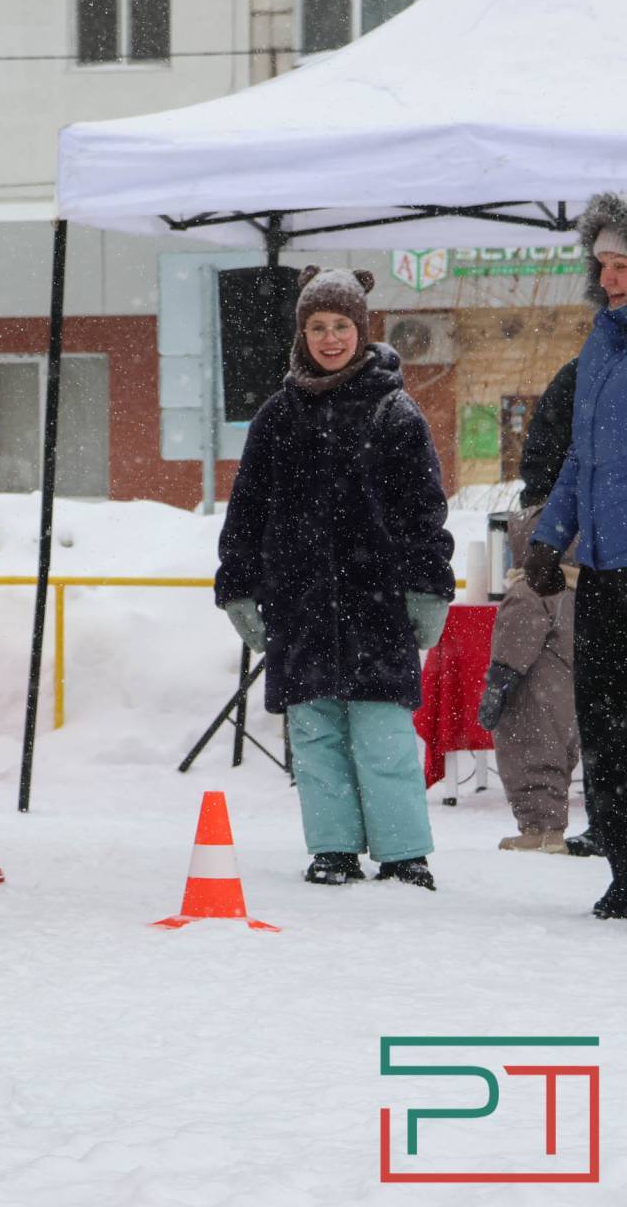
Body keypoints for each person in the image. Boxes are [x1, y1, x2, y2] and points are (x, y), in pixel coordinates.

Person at [215, 266, 455, 890]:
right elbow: (248, 508)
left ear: (361, 329)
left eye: (341, 326)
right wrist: (237, 583)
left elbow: (423, 509)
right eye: (317, 326)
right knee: (316, 735)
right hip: (300, 604)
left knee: (382, 732)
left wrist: (429, 583)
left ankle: (404, 852)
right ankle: (333, 848)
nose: (329, 338)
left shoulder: (394, 410)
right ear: (302, 333)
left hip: (378, 600)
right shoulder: (276, 415)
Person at [519, 193, 627, 917]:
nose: (610, 277)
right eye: (603, 265)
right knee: (608, 722)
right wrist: (548, 537)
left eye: (623, 265)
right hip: (609, 575)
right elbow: (581, 465)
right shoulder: (598, 348)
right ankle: (623, 862)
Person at [478, 357, 583, 854]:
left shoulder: (546, 543)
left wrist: (501, 672)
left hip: (543, 669)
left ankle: (541, 827)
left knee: (531, 726)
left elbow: (524, 612)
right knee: (574, 728)